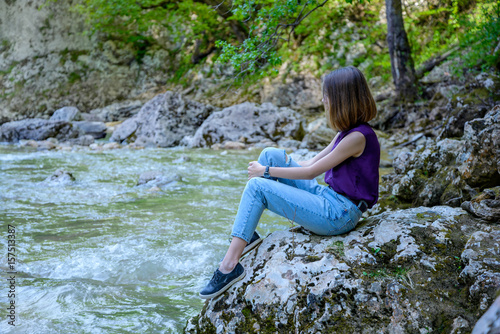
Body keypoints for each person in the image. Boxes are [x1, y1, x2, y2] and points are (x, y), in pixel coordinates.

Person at [199, 66, 380, 299]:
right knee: (270, 153)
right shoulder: (347, 132)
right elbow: (311, 162)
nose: (324, 100)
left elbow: (310, 173)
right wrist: (276, 164)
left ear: (341, 99)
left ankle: (228, 266)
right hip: (330, 198)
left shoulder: (358, 137)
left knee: (257, 186)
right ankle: (248, 235)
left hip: (340, 214)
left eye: (327, 95)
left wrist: (265, 172)